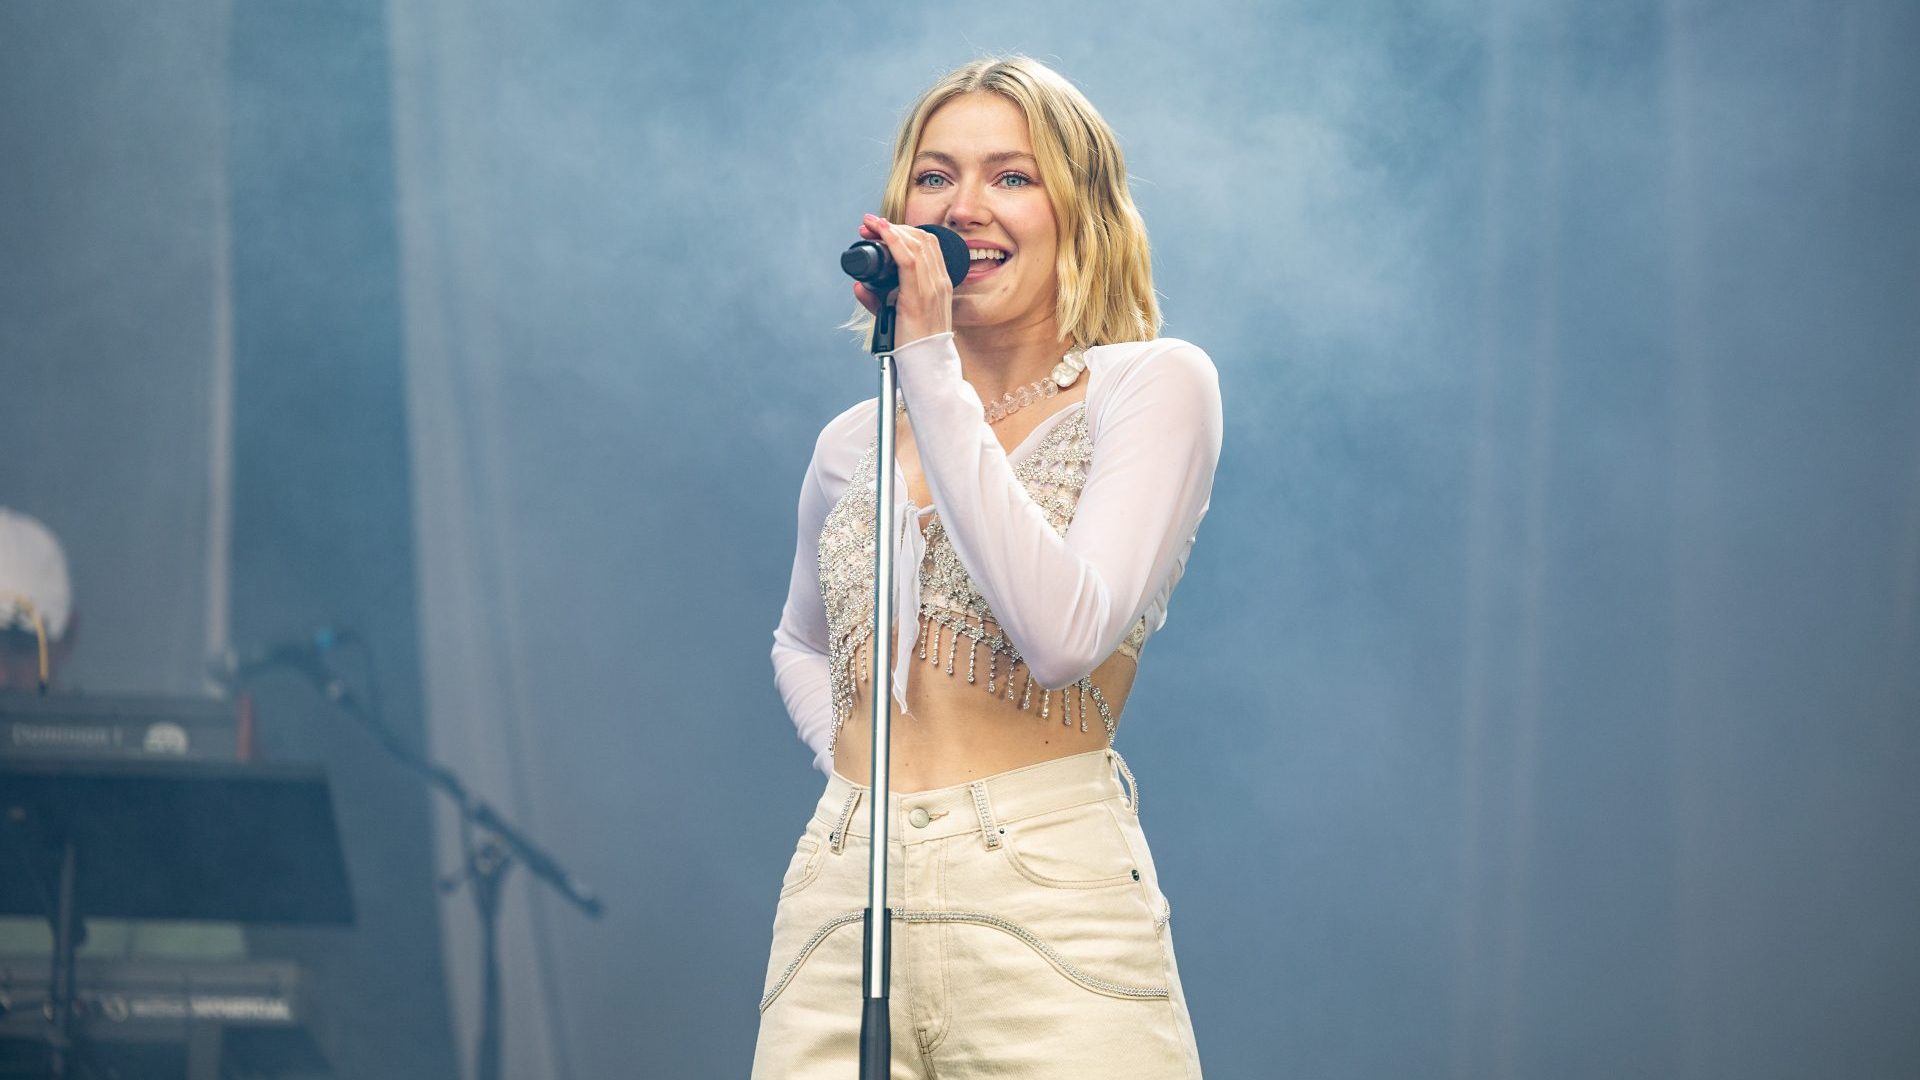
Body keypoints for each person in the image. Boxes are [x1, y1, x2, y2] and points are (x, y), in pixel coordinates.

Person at [756, 57, 1222, 1079]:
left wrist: (925, 362)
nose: (965, 206)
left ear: (1080, 210)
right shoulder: (853, 439)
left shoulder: (1149, 387)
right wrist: (857, 769)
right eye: (935, 178)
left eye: (1011, 177)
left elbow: (1063, 637)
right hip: (842, 897)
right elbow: (797, 640)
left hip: (1043, 898)